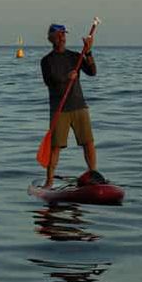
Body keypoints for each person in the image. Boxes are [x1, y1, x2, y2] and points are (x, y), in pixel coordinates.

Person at [41, 24, 97, 187]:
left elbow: (92, 72)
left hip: (79, 105)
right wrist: (67, 77)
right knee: (56, 146)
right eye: (58, 35)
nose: (62, 38)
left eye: (63, 34)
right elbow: (49, 81)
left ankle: (93, 174)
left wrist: (88, 52)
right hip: (60, 109)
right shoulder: (46, 61)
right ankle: (49, 181)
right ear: (51, 38)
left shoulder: (74, 57)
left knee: (88, 142)